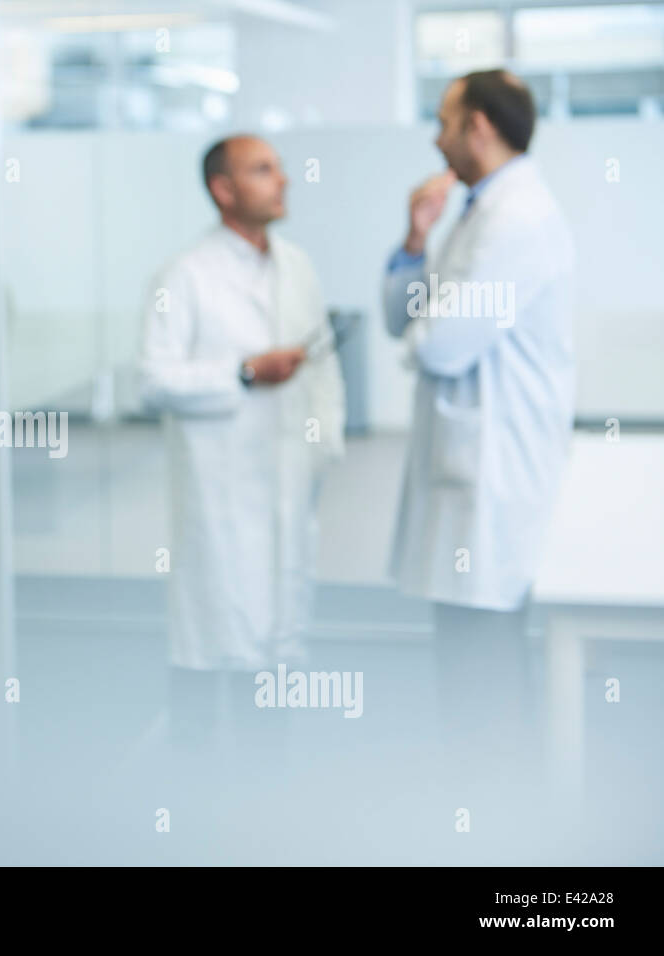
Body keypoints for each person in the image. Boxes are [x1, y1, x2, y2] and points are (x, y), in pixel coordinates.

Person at [382, 70, 575, 786]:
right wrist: (413, 240)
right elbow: (405, 319)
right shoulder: (476, 212)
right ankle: (481, 809)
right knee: (467, 654)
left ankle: (494, 825)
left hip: (494, 472)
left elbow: (438, 345)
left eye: (443, 120)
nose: (435, 138)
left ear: (480, 127)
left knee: (482, 664)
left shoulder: (516, 219)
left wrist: (426, 330)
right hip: (467, 469)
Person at [138, 135, 346, 751]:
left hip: (287, 476)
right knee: (210, 634)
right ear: (222, 190)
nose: (282, 181)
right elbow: (152, 380)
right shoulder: (184, 275)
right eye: (262, 171)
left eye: (280, 169)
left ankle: (265, 796)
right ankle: (196, 800)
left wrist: (324, 445)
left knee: (276, 645)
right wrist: (243, 373)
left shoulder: (297, 265)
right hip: (219, 492)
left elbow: (324, 364)